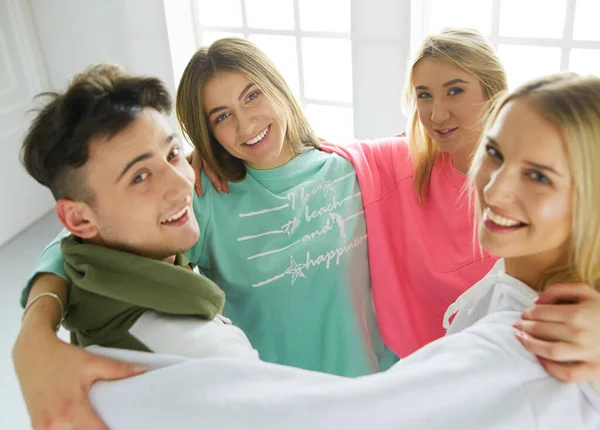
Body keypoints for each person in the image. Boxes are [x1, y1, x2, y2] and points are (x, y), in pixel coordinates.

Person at [12, 34, 600, 429]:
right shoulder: (198, 195)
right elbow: (80, 238)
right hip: (274, 398)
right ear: (204, 130)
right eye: (220, 116)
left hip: (379, 389)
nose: (245, 123)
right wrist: (35, 335)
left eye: (252, 96)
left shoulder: (357, 168)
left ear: (277, 90)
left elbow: (472, 149)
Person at [18, 64, 258, 361]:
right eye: (140, 177)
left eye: (172, 154)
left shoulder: (93, 260)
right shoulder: (206, 349)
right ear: (79, 219)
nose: (182, 184)